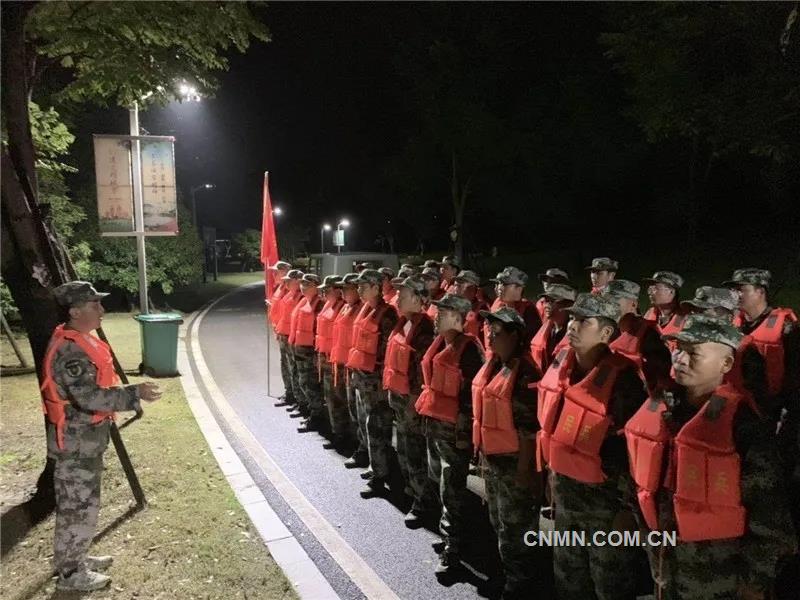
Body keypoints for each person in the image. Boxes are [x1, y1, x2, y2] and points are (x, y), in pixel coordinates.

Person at [625, 315, 797, 599]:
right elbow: (640, 478)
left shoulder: (743, 425)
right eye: (678, 349)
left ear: (726, 365)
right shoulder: (662, 410)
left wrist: (755, 581)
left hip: (722, 577)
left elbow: (769, 514)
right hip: (667, 566)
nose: (680, 358)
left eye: (694, 353)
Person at [43, 281, 161, 591]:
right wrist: (135, 394)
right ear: (75, 311)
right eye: (96, 305)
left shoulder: (79, 340)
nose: (103, 310)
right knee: (78, 507)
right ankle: (71, 576)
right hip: (76, 443)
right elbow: (90, 399)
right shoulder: (71, 351)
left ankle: (74, 559)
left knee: (79, 506)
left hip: (84, 440)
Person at [537, 293, 647, 600]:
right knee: (569, 578)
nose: (572, 325)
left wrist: (627, 511)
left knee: (609, 584)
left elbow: (635, 453)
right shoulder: (563, 365)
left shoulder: (624, 381)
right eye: (572, 318)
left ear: (606, 333)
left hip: (605, 506)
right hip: (566, 496)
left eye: (584, 321)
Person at [723, 268, 800, 545]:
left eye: (742, 289)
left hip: (774, 419)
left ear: (761, 291)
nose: (737, 295)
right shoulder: (733, 324)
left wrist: (787, 420)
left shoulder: (787, 328)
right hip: (738, 418)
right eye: (734, 290)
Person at [473, 307, 545, 598]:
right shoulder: (494, 364)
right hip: (494, 461)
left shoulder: (526, 371)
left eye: (498, 332)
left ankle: (521, 583)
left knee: (516, 530)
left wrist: (524, 472)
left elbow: (530, 430)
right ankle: (509, 576)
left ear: (515, 336)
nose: (490, 336)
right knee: (500, 523)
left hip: (515, 465)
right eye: (489, 330)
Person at [415, 294, 484, 576]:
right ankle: (448, 535)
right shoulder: (440, 342)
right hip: (434, 425)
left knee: (452, 490)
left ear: (459, 318)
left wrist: (464, 436)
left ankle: (454, 550)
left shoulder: (468, 349)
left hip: (453, 431)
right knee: (438, 481)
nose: (436, 316)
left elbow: (472, 397)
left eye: (442, 314)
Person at [383, 275, 437, 525]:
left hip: (412, 405)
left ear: (417, 299)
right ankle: (412, 491)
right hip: (399, 400)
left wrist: (415, 407)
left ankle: (423, 503)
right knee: (404, 450)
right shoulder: (402, 323)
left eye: (402, 296)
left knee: (415, 454)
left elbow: (422, 375)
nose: (396, 299)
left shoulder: (425, 330)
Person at [345, 269, 399, 496]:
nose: (359, 289)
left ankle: (381, 476)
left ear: (376, 288)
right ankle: (374, 465)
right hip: (362, 376)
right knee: (366, 423)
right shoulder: (366, 309)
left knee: (377, 427)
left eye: (364, 286)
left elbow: (387, 352)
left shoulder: (387, 314)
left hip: (375, 382)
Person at [605, 279, 672, 392]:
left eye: (614, 301)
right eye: (606, 301)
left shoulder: (648, 334)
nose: (608, 306)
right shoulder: (610, 330)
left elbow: (662, 376)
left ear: (633, 304)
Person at [329, 274, 365, 466]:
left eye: (347, 288)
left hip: (353, 365)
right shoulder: (345, 307)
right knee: (348, 406)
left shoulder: (360, 309)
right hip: (342, 362)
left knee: (357, 411)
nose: (343, 292)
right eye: (341, 289)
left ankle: (361, 448)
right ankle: (353, 441)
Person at [290, 273, 327, 433]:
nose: (303, 287)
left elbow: (319, 331)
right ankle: (312, 413)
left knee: (311, 384)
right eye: (302, 285)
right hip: (301, 350)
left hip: (311, 352)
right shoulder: (304, 301)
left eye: (307, 285)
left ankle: (317, 417)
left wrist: (317, 355)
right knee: (303, 382)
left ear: (316, 287)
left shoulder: (319, 305)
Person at [314, 275, 347, 447]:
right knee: (330, 397)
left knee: (339, 399)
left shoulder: (343, 308)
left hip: (338, 363)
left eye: (327, 290)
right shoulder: (329, 305)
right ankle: (337, 431)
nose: (324, 293)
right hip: (326, 358)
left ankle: (344, 435)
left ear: (336, 290)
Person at [486, 266, 541, 347]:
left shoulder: (528, 310)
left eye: (504, 284)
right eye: (499, 283)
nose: (499, 287)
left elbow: (531, 341)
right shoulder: (497, 305)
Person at [274, 269, 304, 414]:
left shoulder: (300, 297)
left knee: (294, 368)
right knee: (286, 366)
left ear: (297, 281)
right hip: (284, 335)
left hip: (292, 338)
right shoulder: (288, 295)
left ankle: (299, 399)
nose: (286, 282)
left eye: (289, 280)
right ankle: (290, 393)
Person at [529, 283, 575, 374]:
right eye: (546, 301)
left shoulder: (575, 334)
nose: (546, 305)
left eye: (552, 301)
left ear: (568, 305)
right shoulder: (548, 331)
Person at [265, 261, 292, 407]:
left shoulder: (289, 290)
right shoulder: (280, 288)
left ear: (285, 272)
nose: (274, 274)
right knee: (285, 364)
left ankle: (293, 395)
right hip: (281, 331)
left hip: (288, 334)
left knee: (290, 366)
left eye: (277, 272)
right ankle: (289, 393)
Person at [642, 271, 688, 340]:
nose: (649, 292)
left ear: (671, 291)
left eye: (655, 288)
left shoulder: (685, 316)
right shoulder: (650, 313)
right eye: (650, 288)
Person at [453, 269, 488, 342]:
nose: (455, 289)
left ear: (472, 289)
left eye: (459, 286)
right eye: (455, 285)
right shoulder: (453, 308)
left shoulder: (482, 310)